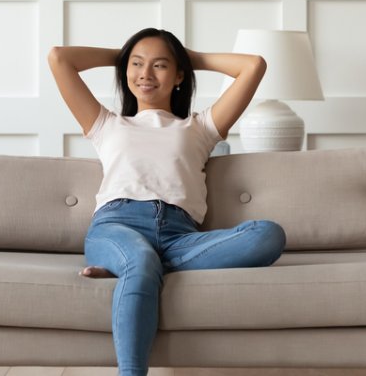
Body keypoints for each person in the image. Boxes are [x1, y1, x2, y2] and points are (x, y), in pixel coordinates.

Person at [48, 28, 286, 376]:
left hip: (179, 235)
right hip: (117, 225)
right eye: (137, 65)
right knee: (140, 259)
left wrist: (188, 57)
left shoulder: (200, 127)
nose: (145, 74)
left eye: (160, 65)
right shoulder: (105, 124)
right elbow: (59, 58)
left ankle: (131, 268)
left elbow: (253, 65)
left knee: (269, 234)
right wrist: (124, 52)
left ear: (178, 76)